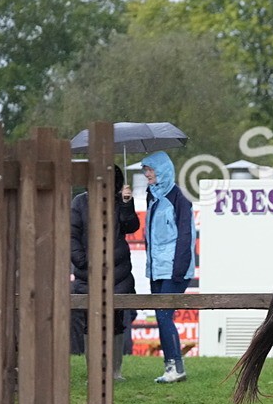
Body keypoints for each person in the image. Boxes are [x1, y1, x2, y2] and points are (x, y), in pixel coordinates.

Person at [70, 165, 141, 380]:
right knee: (89, 321)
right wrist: (82, 262)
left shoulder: (120, 201)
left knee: (117, 320)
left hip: (118, 273)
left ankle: (115, 371)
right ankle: (94, 370)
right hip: (88, 273)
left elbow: (131, 226)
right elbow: (71, 234)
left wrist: (128, 203)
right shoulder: (79, 202)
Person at [141, 151, 195, 383]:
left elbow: (186, 237)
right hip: (156, 270)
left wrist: (178, 270)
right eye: (145, 171)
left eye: (150, 170)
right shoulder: (151, 198)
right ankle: (170, 367)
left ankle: (176, 367)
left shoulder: (179, 199)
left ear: (162, 170)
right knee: (161, 316)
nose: (147, 175)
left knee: (164, 316)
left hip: (174, 270)